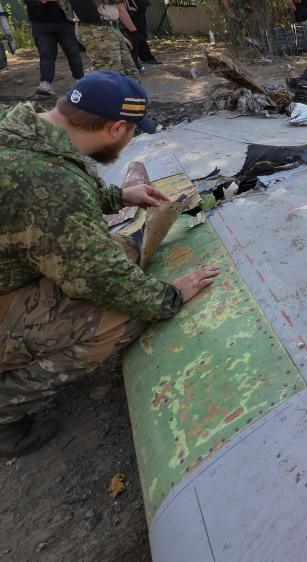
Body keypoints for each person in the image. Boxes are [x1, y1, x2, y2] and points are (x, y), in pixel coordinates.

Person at [0, 72, 221, 457]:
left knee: (117, 250)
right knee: (128, 313)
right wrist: (170, 296)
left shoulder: (23, 130)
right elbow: (101, 279)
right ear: (116, 128)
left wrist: (117, 195)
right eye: (132, 132)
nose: (131, 138)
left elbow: (39, 202)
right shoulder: (51, 183)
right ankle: (6, 410)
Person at [24, 0, 84, 96]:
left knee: (73, 52)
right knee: (46, 54)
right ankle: (46, 84)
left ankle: (80, 81)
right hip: (40, 23)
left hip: (65, 22)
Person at [70, 0, 142, 78]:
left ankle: (132, 90)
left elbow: (120, 8)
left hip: (111, 27)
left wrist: (120, 35)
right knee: (110, 72)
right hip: (95, 29)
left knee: (131, 72)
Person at [126, 0, 159, 65]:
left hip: (137, 15)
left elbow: (143, 5)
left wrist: (136, 9)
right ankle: (143, 58)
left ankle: (147, 58)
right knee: (134, 37)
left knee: (141, 36)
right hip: (129, 15)